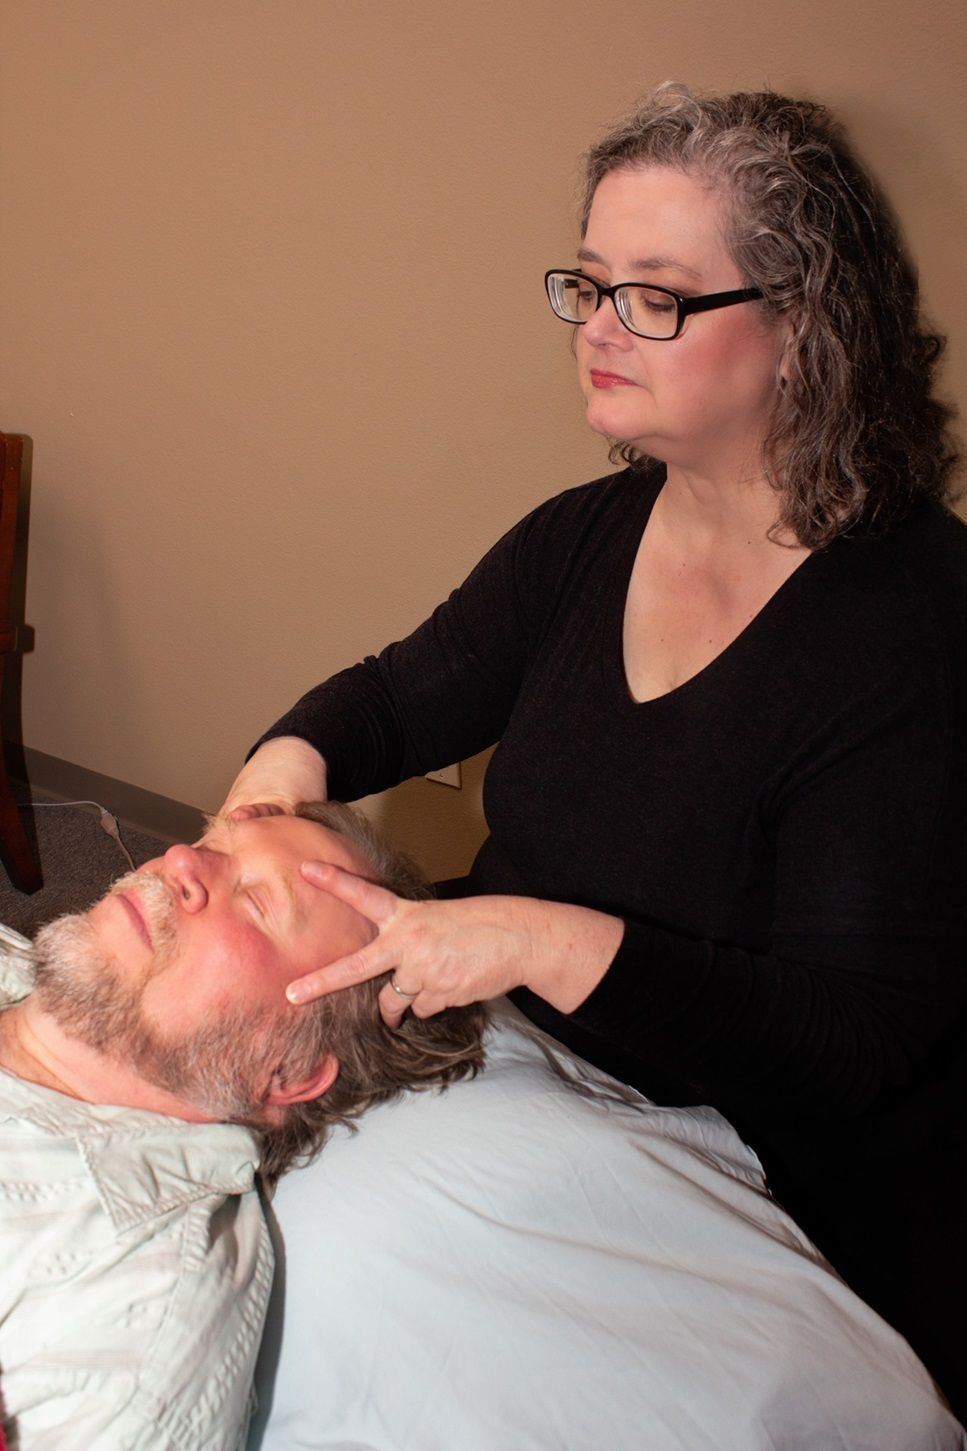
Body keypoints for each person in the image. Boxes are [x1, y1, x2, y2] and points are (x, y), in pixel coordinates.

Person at [222, 85, 967, 1414]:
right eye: (588, 283)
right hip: (533, 1066)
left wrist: (536, 940)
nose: (600, 329)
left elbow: (849, 1043)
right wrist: (281, 772)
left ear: (802, 328)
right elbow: (395, 698)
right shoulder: (585, 536)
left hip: (764, 1156)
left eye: (655, 296)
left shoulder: (910, 625)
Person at [0, 803, 484, 1449]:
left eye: (256, 902)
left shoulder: (127, 1337)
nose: (179, 859)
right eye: (211, 842)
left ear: (288, 1070)